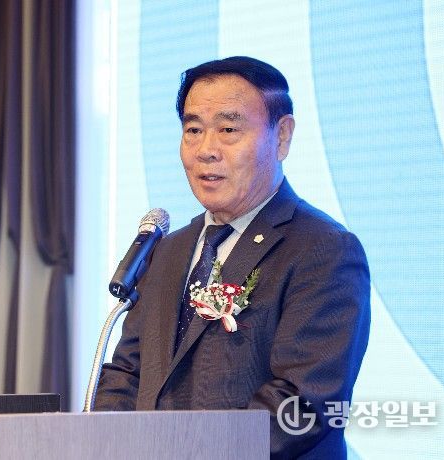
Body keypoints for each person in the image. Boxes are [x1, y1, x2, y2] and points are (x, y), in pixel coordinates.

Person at [94, 56, 371, 459]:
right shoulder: (167, 251)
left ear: (282, 137)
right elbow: (127, 374)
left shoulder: (324, 249)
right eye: (193, 130)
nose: (206, 150)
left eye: (228, 129)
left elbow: (301, 405)